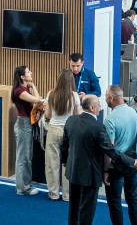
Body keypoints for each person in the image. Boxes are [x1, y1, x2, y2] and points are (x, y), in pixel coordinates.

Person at [61, 95, 137, 225]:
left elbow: (64, 145)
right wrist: (132, 162)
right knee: (86, 212)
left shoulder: (71, 120)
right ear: (92, 108)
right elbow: (111, 151)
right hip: (90, 176)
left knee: (74, 209)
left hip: (73, 171)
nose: (100, 107)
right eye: (98, 104)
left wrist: (65, 162)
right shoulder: (98, 127)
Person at [103, 85, 137, 225]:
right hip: (133, 162)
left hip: (116, 166)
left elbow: (109, 149)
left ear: (111, 98)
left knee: (114, 201)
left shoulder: (110, 119)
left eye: (106, 96)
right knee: (132, 199)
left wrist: (105, 170)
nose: (105, 99)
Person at [45, 69, 82, 201]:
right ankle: (67, 195)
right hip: (69, 131)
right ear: (71, 81)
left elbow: (47, 115)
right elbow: (77, 115)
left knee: (52, 164)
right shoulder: (74, 96)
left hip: (53, 130)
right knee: (68, 163)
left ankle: (53, 193)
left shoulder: (51, 94)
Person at [12, 66, 43, 196]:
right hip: (23, 124)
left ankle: (25, 184)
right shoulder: (20, 90)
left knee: (27, 157)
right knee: (23, 158)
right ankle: (22, 188)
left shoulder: (25, 89)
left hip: (27, 124)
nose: (31, 73)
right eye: (28, 72)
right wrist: (33, 86)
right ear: (22, 77)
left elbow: (37, 100)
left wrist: (32, 86)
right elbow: (38, 100)